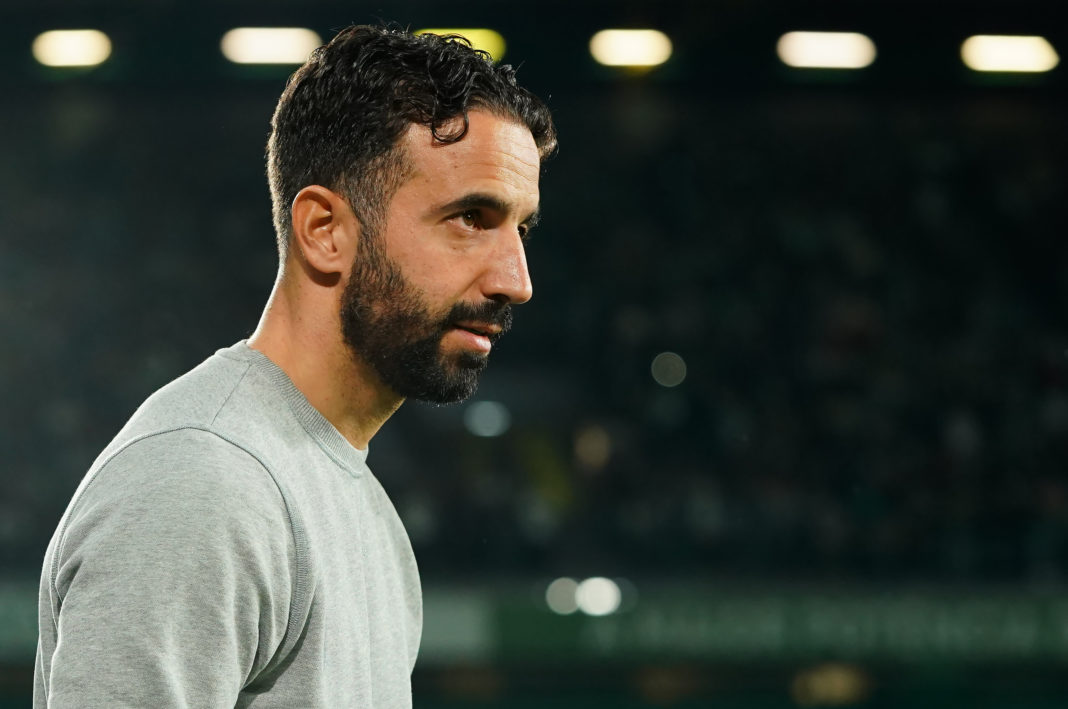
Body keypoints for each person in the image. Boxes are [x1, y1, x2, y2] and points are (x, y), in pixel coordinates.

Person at [34, 24, 556, 708]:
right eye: (470, 217)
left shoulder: (344, 493)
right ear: (324, 231)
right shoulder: (204, 482)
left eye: (520, 227)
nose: (516, 280)